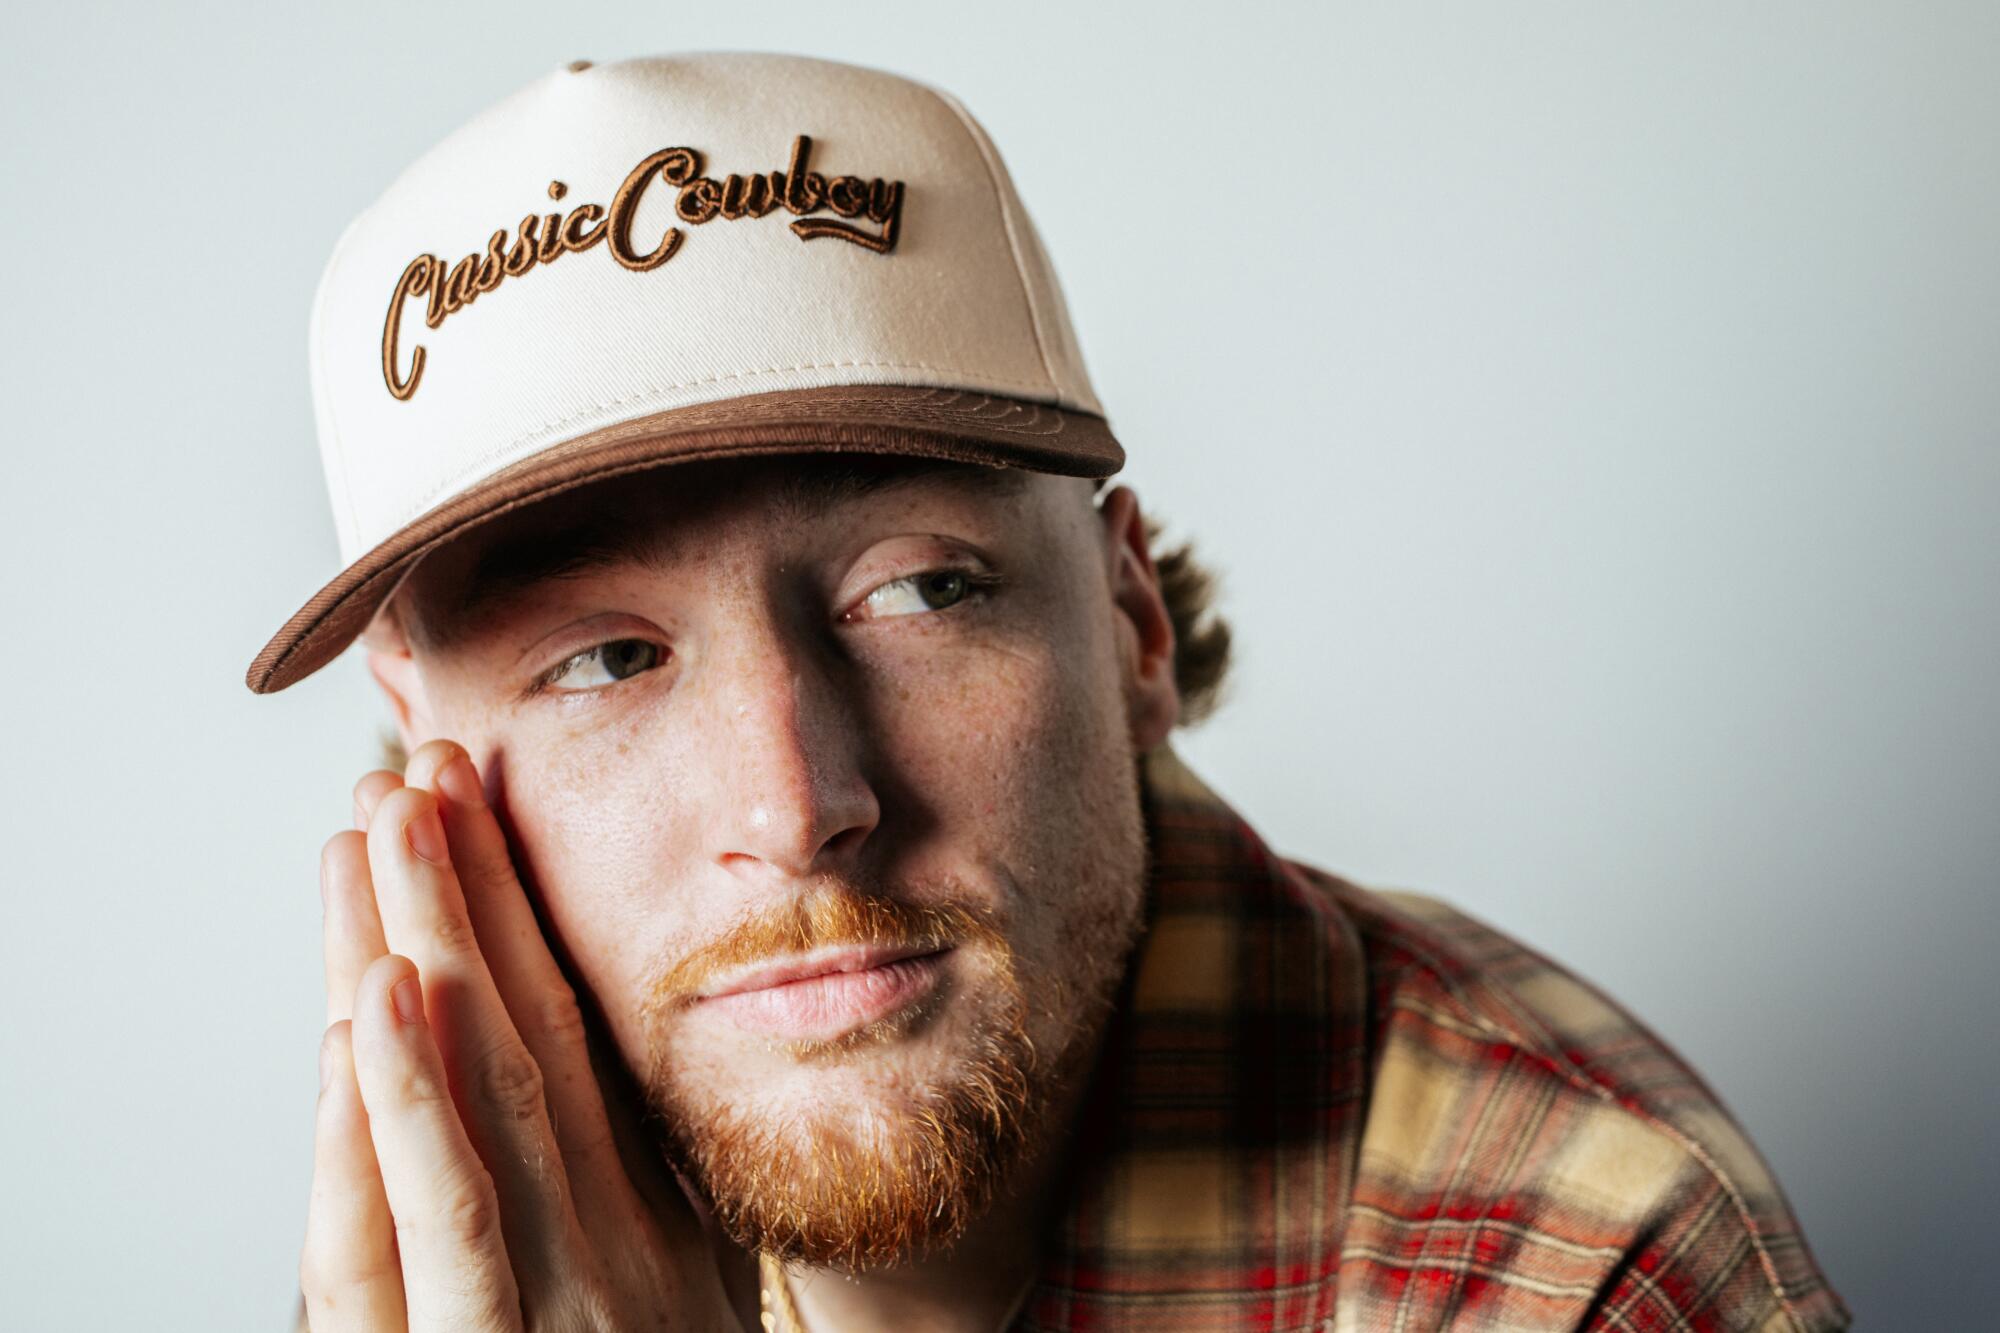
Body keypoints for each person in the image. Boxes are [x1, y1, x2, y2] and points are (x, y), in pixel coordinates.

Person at [263, 52, 1851, 1332]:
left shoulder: (1586, 1274)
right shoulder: (463, 1236)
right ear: (427, 750)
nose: (800, 806)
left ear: (1132, 615)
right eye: (605, 659)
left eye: (922, 587)